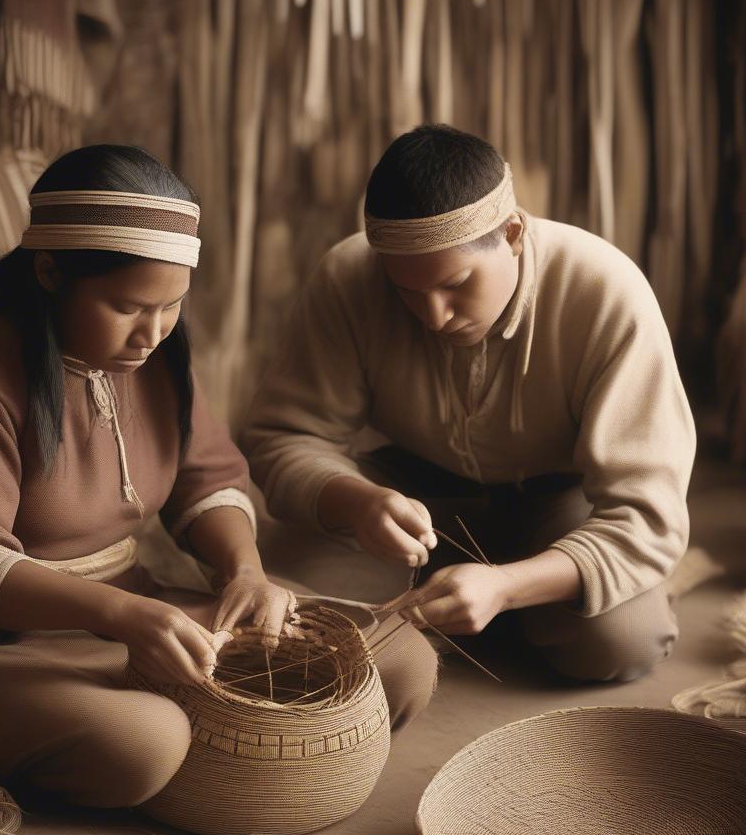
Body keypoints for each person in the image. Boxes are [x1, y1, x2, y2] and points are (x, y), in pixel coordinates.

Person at [0, 145, 437, 810]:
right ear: (50, 271)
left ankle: (217, 760)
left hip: (132, 613)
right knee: (147, 742)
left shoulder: (156, 361)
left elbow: (207, 481)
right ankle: (206, 762)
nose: (152, 333)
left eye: (171, 307)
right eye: (128, 307)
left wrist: (243, 572)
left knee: (400, 658)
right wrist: (127, 617)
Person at [243, 124, 696, 684]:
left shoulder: (606, 292)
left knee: (619, 642)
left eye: (455, 283)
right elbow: (281, 438)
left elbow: (646, 517)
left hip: (561, 499)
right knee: (283, 585)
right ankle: (495, 609)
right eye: (407, 291)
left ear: (512, 234)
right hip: (417, 501)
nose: (433, 316)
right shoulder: (348, 275)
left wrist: (506, 587)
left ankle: (508, 601)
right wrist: (358, 501)